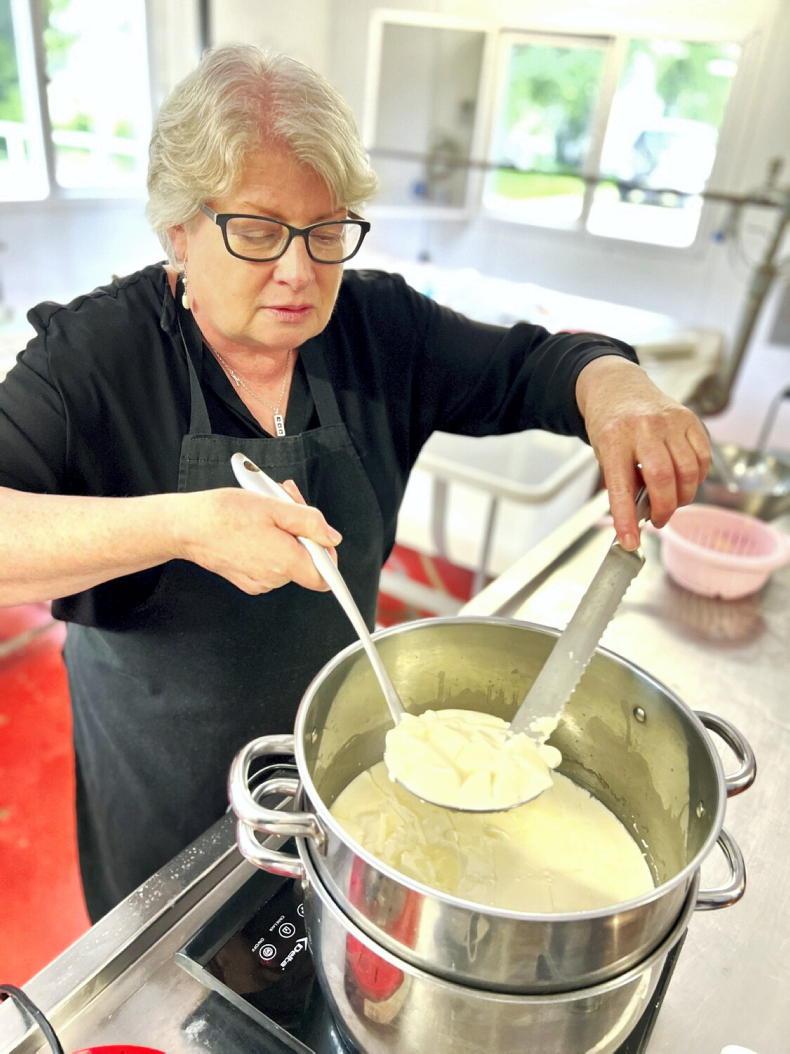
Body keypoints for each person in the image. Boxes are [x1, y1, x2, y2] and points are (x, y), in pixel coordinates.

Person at [0, 45, 710, 921]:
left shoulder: (378, 328)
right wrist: (183, 527)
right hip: (167, 815)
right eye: (258, 232)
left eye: (327, 231)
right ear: (178, 230)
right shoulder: (93, 362)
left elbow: (535, 365)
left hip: (348, 779)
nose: (299, 272)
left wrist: (618, 388)